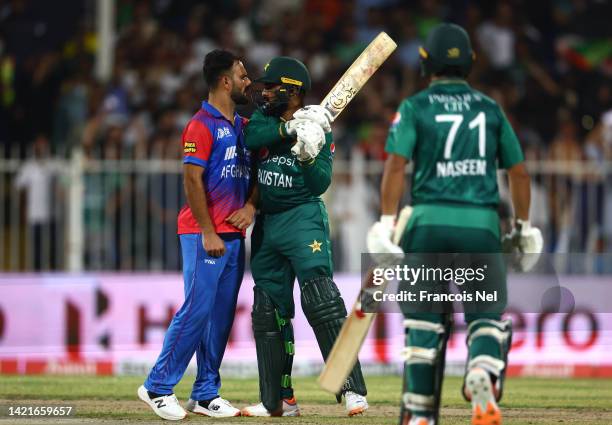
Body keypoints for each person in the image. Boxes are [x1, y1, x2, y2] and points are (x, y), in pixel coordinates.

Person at [367, 24, 543, 425]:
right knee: (485, 315)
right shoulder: (490, 108)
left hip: (427, 223)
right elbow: (519, 173)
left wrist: (386, 221)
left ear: (425, 62)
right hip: (480, 226)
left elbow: (396, 164)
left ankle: (418, 413)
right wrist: (523, 227)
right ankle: (481, 369)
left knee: (423, 321)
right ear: (472, 63)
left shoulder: (414, 107)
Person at [240, 56, 369, 417]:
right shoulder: (267, 120)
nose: (264, 92)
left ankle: (351, 389)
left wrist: (311, 155)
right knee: (267, 310)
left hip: (303, 218)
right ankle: (278, 400)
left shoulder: (319, 126)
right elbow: (252, 138)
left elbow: (321, 183)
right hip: (269, 223)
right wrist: (290, 131)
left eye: (271, 86)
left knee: (321, 299)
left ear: (292, 91)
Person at [138, 49, 255, 420]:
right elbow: (191, 179)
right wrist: (208, 231)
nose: (247, 81)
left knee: (220, 317)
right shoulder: (200, 125)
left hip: (233, 235)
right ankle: (157, 386)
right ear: (225, 81)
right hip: (204, 234)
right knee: (197, 309)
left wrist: (252, 205)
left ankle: (205, 392)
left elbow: (264, 170)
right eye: (242, 76)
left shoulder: (244, 126)